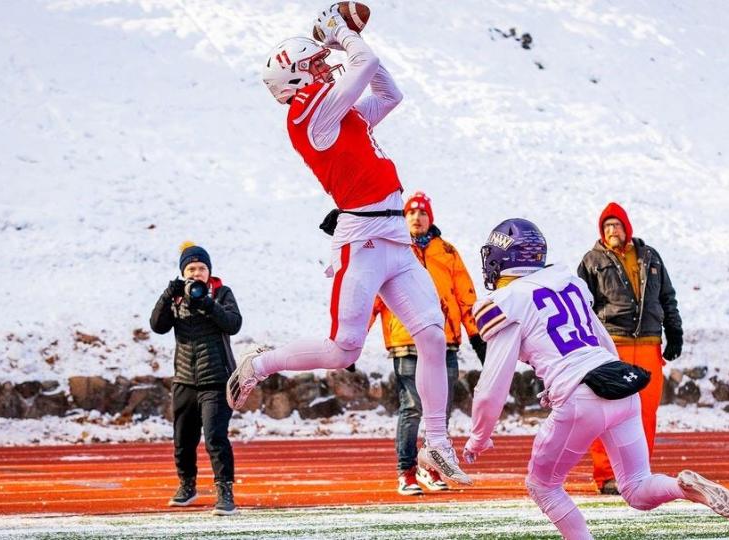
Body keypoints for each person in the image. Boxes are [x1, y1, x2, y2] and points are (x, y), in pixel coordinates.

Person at [225, 7, 470, 485]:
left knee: (433, 336)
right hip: (360, 242)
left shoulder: (336, 110)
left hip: (396, 238)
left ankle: (437, 444)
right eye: (314, 65)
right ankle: (261, 361)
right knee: (343, 349)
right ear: (294, 81)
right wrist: (340, 32)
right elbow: (362, 64)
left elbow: (389, 91)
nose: (325, 66)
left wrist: (347, 41)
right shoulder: (309, 117)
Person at [464, 218, 729, 539]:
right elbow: (602, 341)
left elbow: (493, 385)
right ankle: (682, 487)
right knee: (637, 488)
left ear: (502, 258)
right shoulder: (568, 282)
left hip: (581, 396)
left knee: (543, 486)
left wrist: (479, 437)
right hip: (617, 382)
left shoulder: (508, 300)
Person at [369, 191, 486, 495]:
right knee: (412, 408)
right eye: (410, 213)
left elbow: (465, 296)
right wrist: (355, 336)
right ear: (403, 218)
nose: (416, 217)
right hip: (406, 339)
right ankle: (405, 471)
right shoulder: (392, 250)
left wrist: (475, 335)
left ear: (430, 218)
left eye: (422, 213)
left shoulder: (447, 252)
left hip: (444, 340)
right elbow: (372, 296)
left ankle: (430, 466)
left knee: (441, 410)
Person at [576, 202, 682, 495]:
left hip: (649, 343)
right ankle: (607, 475)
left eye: (617, 225)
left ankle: (638, 473)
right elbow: (581, 307)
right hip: (612, 344)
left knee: (646, 411)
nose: (612, 230)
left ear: (627, 227)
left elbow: (667, 297)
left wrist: (674, 332)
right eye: (607, 226)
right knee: (606, 412)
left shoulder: (650, 257)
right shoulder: (591, 261)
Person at [149, 243, 243, 515]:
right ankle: (186, 486)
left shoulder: (222, 293)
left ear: (209, 271)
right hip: (185, 380)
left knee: (215, 437)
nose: (197, 272)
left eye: (202, 268)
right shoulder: (177, 297)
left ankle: (225, 491)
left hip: (217, 379)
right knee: (183, 439)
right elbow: (158, 325)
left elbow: (234, 325)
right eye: (191, 268)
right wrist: (168, 295)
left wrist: (208, 303)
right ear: (184, 272)